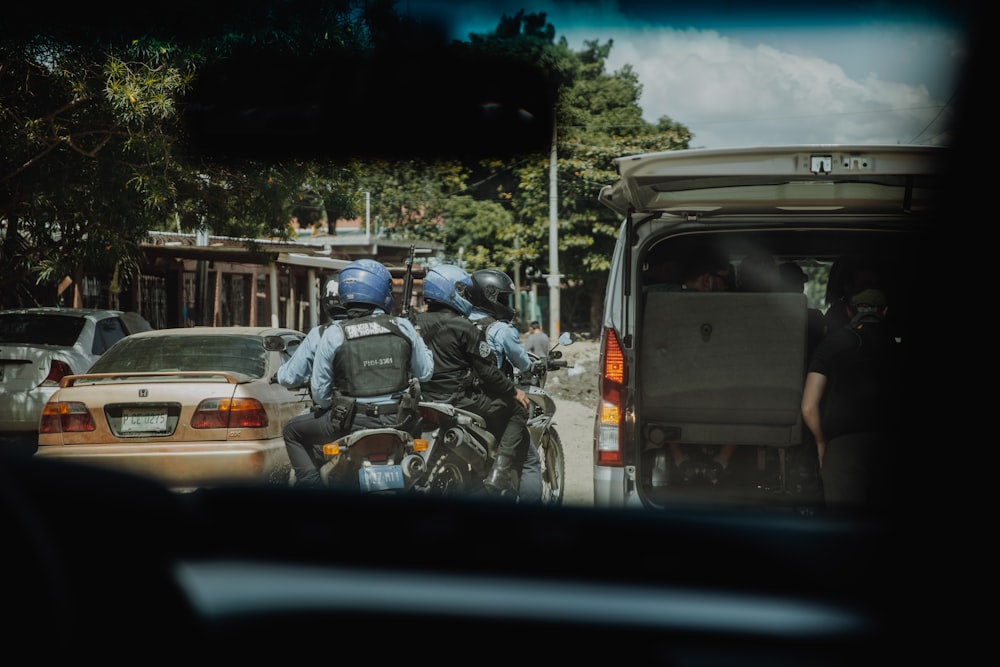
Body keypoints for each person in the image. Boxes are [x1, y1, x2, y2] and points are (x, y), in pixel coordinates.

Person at [282, 259, 434, 489]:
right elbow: (425, 373)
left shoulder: (334, 333)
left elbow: (321, 395)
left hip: (351, 423)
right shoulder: (402, 326)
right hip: (400, 420)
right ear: (381, 291)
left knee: (292, 431)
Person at [415, 264, 531, 500]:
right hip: (460, 399)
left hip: (422, 397)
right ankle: (499, 472)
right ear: (451, 292)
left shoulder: (411, 323)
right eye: (463, 292)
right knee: (518, 410)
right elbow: (488, 372)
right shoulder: (463, 326)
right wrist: (514, 392)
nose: (467, 297)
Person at [800, 288, 901, 510]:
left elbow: (808, 406)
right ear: (885, 311)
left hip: (843, 448)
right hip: (891, 445)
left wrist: (820, 441)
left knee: (844, 529)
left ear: (848, 311)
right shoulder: (896, 347)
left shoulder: (832, 345)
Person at [467, 268, 544, 503]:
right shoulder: (500, 329)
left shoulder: (460, 323)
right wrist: (534, 367)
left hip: (464, 399)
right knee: (529, 460)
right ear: (491, 297)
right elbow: (522, 361)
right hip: (495, 403)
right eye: (503, 297)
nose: (506, 303)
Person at [276, 274, 347, 390]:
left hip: (339, 403)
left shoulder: (319, 334)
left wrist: (279, 375)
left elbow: (290, 377)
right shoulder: (378, 326)